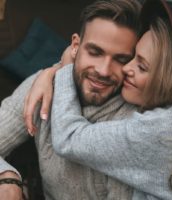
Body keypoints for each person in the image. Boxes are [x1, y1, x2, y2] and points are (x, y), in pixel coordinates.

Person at [24, 0, 172, 199]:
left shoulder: (169, 128)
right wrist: (51, 72)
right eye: (132, 58)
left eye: (140, 66)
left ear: (171, 79)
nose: (125, 69)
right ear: (76, 44)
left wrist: (65, 68)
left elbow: (69, 138)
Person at [0, 0, 141, 199]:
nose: (103, 70)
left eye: (121, 59)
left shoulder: (135, 122)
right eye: (95, 52)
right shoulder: (43, 86)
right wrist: (7, 176)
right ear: (75, 46)